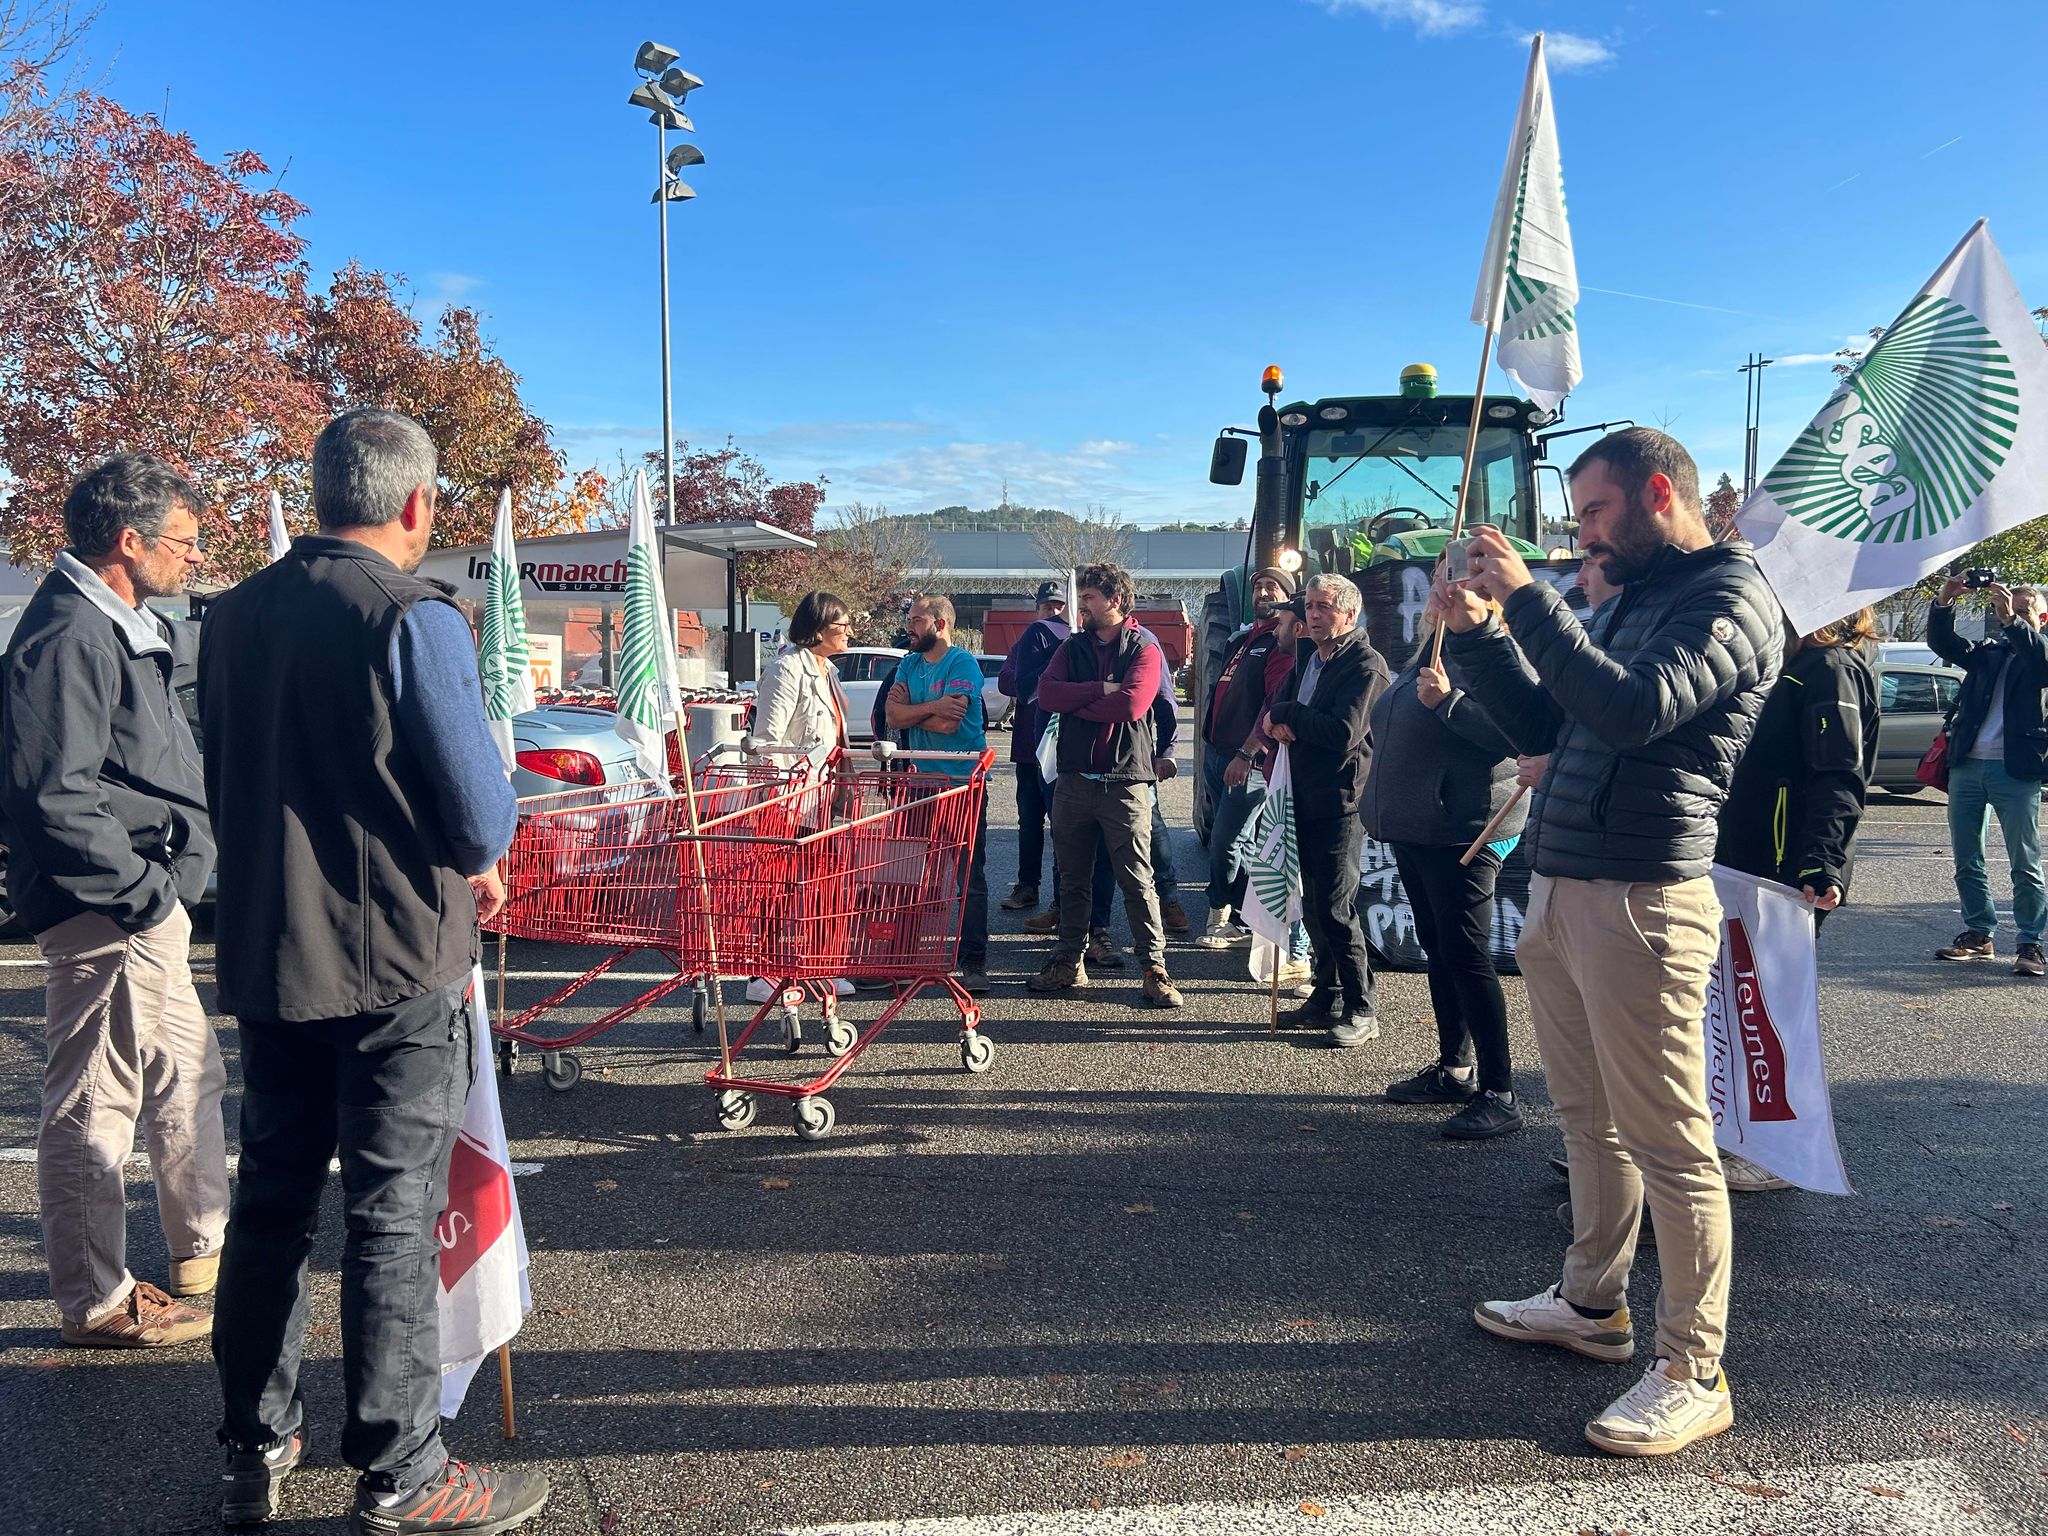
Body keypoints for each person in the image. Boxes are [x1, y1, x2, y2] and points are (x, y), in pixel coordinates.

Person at [200, 410, 548, 1532]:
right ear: (414, 506)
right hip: (394, 962)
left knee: (270, 1208)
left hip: (268, 951)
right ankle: (401, 1469)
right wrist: (480, 860)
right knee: (391, 1220)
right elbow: (479, 808)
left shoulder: (235, 614)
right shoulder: (411, 616)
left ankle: (253, 1445)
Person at [1440, 426, 1781, 1459]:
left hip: (1642, 897)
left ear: (1654, 493)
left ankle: (1692, 1369)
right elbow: (1556, 723)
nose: (1580, 533)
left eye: (1592, 513)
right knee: (1587, 1120)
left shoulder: (1730, 595)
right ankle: (1591, 1305)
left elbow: (1632, 712)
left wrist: (1533, 604)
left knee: (1670, 1143)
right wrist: (1475, 638)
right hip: (1567, 880)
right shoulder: (1634, 595)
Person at [0, 453, 224, 1349]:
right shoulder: (68, 637)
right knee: (96, 1103)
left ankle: (199, 1263)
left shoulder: (118, 623)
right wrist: (145, 898)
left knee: (190, 1078)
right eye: (183, 543)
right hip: (111, 911)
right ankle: (95, 1300)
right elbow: (51, 795)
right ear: (128, 543)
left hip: (139, 906)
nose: (194, 559)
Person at [1713, 606, 1880, 1193]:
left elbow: (1840, 776)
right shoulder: (1784, 665)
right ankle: (1735, 1136)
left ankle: (1775, 1157)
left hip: (1787, 872)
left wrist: (1821, 860)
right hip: (1744, 861)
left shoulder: (1829, 667)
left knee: (1773, 1012)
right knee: (1738, 1007)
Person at [1362, 572, 1526, 1138]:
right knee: (1440, 949)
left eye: (1454, 589)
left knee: (1467, 956)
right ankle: (1455, 1067)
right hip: (1419, 829)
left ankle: (1500, 1091)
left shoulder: (1492, 660)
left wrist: (1449, 703)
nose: (1441, 596)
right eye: (1437, 587)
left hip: (1464, 832)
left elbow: (1519, 734)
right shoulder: (1426, 652)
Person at [1026, 563, 1184, 1008]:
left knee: (1137, 880)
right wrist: (1099, 688)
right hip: (1074, 780)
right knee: (1072, 878)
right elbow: (1047, 693)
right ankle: (1068, 960)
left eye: (1091, 598)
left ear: (1114, 600)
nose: (1083, 607)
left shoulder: (1145, 647)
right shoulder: (1073, 646)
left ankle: (1154, 967)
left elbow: (1132, 705)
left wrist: (1082, 702)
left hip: (1126, 783)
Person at [1266, 573, 1389, 1047]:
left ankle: (1362, 1007)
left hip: (1341, 802)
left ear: (1349, 614)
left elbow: (1343, 732)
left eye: (1323, 607)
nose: (1312, 616)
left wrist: (1291, 718)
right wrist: (1282, 717)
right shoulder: (1308, 659)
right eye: (1310, 607)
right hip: (1303, 795)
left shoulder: (1365, 665)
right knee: (1314, 906)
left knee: (1337, 907)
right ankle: (1326, 994)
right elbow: (1280, 706)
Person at [1926, 577, 2048, 976]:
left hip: (2016, 771)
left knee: (2024, 860)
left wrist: (2016, 623)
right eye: (2007, 604)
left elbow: (2041, 664)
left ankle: (2030, 942)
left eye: (2024, 607)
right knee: (1967, 857)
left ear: (2042, 617)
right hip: (1968, 764)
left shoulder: (2040, 651)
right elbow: (1946, 646)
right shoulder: (1990, 652)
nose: (2010, 610)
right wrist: (1945, 600)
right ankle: (1979, 933)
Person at [887, 595, 989, 993]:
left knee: (968, 876)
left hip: (962, 784)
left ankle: (973, 960)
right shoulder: (908, 664)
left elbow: (951, 723)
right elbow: (895, 717)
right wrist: (930, 708)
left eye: (917, 620)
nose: (909, 627)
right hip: (918, 784)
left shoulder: (962, 663)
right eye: (909, 618)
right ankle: (906, 954)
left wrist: (916, 709)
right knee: (913, 874)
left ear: (940, 624)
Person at [1198, 566, 1297, 945]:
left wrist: (1248, 752)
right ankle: (1246, 918)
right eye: (1258, 587)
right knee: (1245, 842)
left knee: (1228, 841)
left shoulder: (1280, 646)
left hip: (1247, 760)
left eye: (1273, 587)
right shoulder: (1244, 641)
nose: (1263, 592)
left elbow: (1273, 704)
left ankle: (1220, 911)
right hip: (1218, 753)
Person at [996, 580, 1069, 913]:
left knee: (1063, 826)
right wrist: (1049, 666)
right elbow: (1008, 680)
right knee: (1028, 823)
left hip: (1060, 750)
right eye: (1047, 606)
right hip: (1028, 749)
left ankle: (1062, 898)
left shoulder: (1075, 638)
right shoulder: (1030, 639)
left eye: (1058, 606)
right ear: (1037, 607)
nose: (1052, 611)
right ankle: (1028, 887)